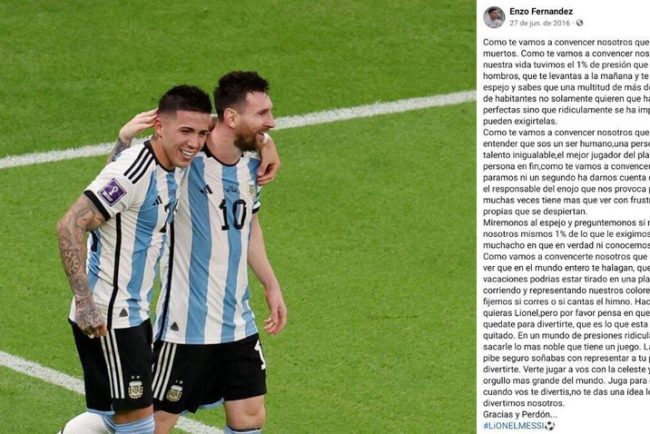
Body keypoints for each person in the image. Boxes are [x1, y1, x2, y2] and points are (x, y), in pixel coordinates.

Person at [118, 71, 287, 434]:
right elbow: (167, 136)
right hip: (185, 327)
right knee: (156, 422)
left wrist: (270, 284)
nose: (271, 121)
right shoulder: (186, 161)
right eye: (262, 114)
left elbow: (249, 226)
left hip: (238, 321)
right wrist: (124, 138)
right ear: (230, 117)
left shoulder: (250, 166)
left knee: (250, 415)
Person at [56, 85, 213, 433]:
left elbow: (230, 125)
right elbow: (70, 225)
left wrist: (265, 140)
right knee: (139, 422)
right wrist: (85, 304)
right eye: (186, 131)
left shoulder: (173, 159)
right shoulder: (135, 170)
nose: (195, 142)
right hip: (109, 314)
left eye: (202, 133)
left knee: (119, 413)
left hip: (135, 309)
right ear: (159, 126)